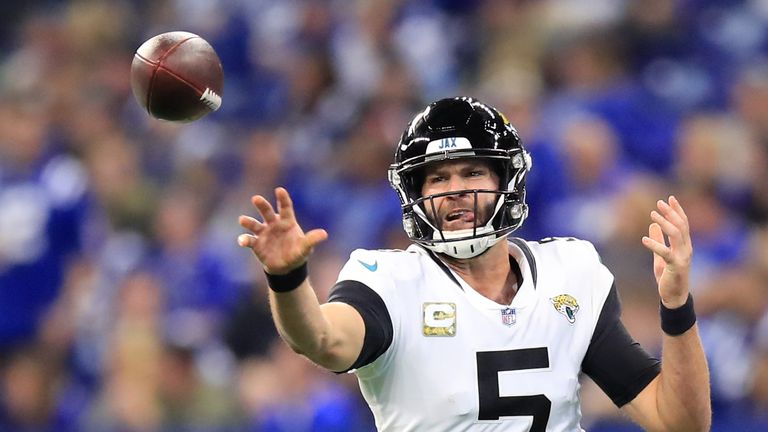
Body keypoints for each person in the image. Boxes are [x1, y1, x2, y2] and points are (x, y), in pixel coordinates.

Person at [237, 97, 711, 431]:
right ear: (416, 196)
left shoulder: (570, 272)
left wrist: (676, 305)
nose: (455, 189)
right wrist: (286, 277)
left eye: (471, 172)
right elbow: (320, 338)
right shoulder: (390, 281)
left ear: (506, 179)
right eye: (437, 178)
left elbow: (680, 422)